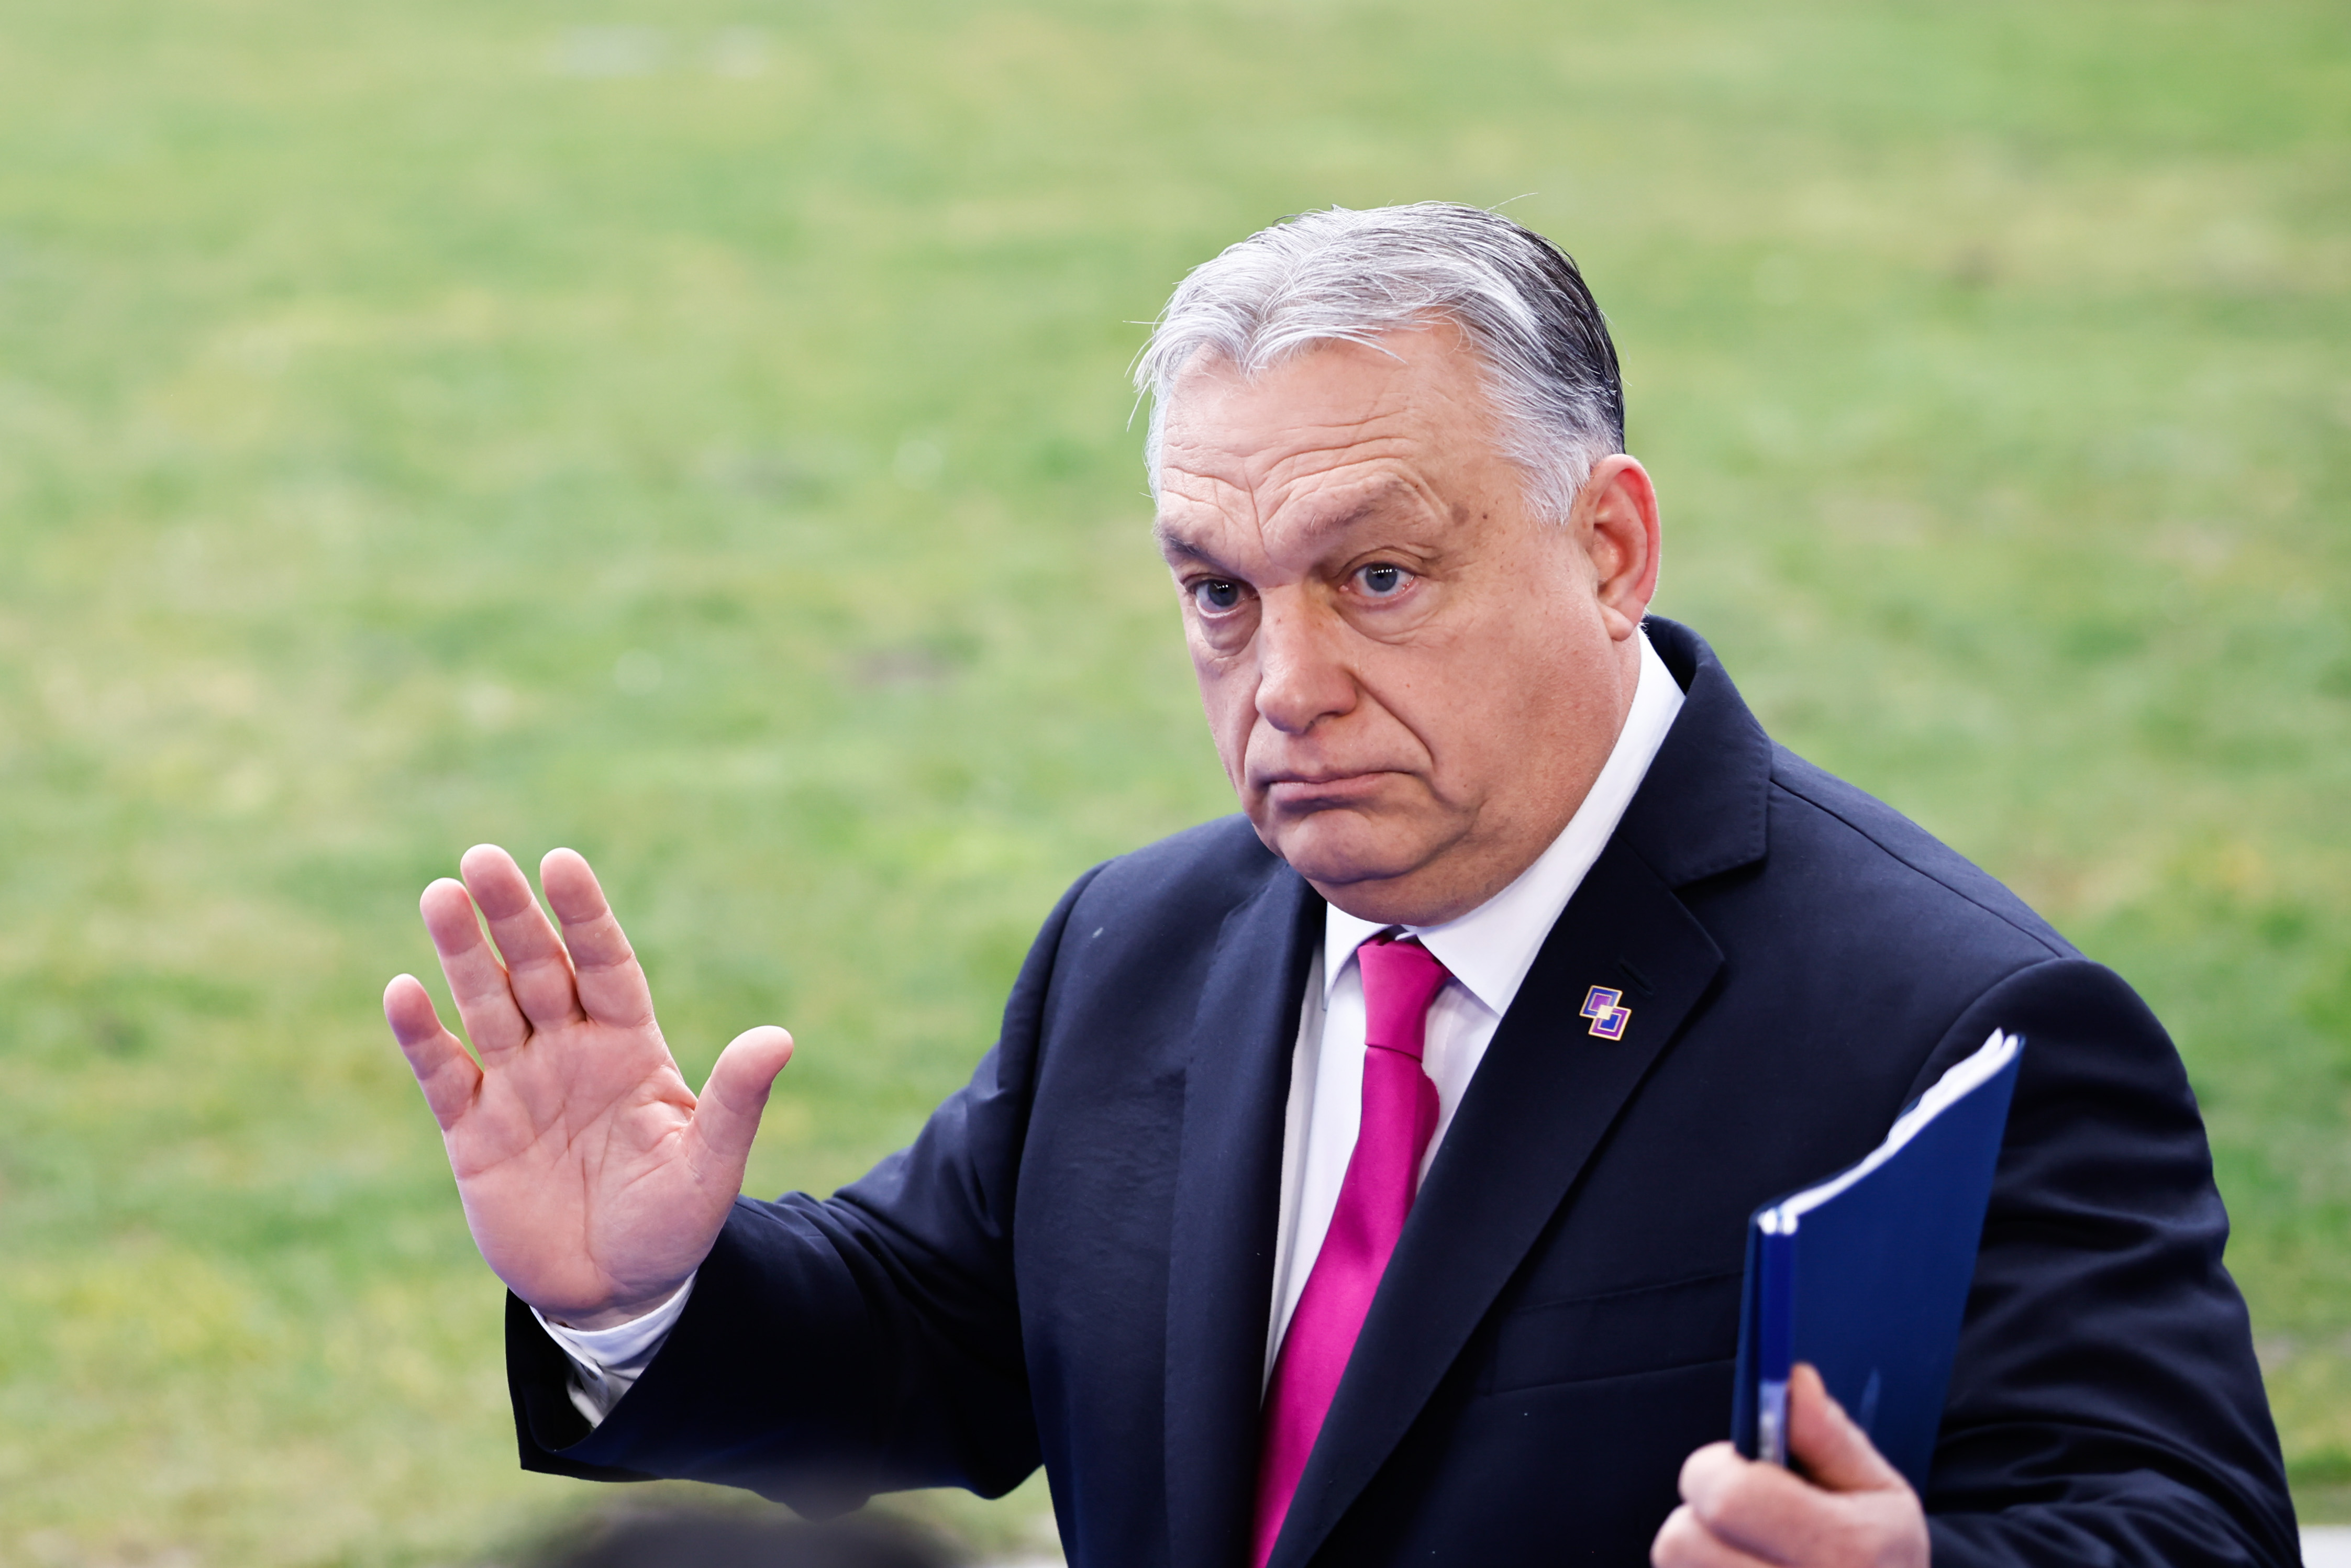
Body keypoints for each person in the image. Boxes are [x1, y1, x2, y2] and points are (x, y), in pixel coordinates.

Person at [383, 204, 2298, 1567]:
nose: (1282, 687)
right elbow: (938, 1348)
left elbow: (2178, 1522)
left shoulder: (1952, 1020)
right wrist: (644, 1292)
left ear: (1608, 543)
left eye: (1375, 575)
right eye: (1217, 590)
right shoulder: (1143, 945)